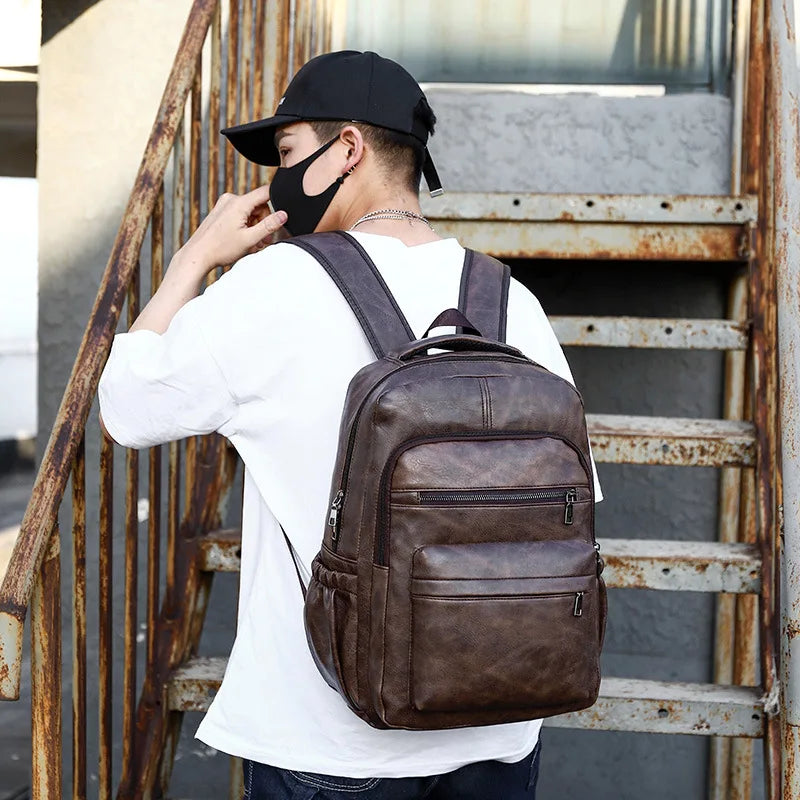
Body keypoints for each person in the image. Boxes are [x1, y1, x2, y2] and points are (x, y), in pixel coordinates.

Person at [98, 50, 603, 800]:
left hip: (332, 745)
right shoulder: (508, 297)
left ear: (348, 149)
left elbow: (125, 407)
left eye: (287, 153)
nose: (277, 179)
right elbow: (575, 501)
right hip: (500, 730)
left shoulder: (273, 285)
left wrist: (196, 257)